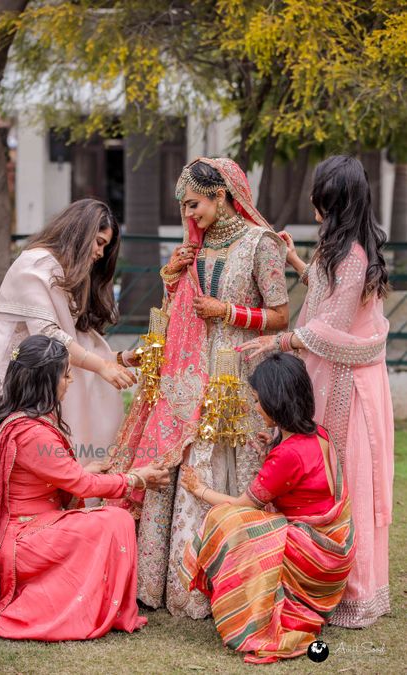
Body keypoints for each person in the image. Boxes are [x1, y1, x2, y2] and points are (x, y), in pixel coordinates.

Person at [111, 157, 289, 617]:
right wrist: (172, 277)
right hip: (193, 375)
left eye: (194, 204)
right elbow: (183, 313)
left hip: (241, 374)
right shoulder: (197, 246)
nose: (190, 215)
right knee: (188, 467)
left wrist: (229, 313)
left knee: (238, 463)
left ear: (222, 194)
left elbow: (281, 316)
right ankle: (180, 587)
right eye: (185, 207)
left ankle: (242, 579)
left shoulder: (261, 244)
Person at [240, 155, 393, 628]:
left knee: (348, 476)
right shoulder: (341, 249)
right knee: (328, 472)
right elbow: (330, 295)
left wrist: (279, 339)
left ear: (335, 202)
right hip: (333, 373)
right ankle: (322, 576)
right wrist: (294, 260)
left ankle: (354, 590)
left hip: (353, 384)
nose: (311, 201)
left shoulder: (354, 255)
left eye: (320, 195)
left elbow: (329, 326)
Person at [0, 335, 169, 640]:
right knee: (115, 519)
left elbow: (59, 476)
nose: (69, 381)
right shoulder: (31, 431)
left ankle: (84, 600)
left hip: (25, 533)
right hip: (25, 541)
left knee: (104, 519)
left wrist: (88, 470)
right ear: (45, 380)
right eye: (65, 374)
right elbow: (81, 485)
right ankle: (73, 607)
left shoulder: (19, 420)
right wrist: (137, 478)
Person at [0, 198, 138, 504]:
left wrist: (117, 360)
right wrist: (102, 368)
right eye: (98, 242)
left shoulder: (63, 272)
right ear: (80, 234)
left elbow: (75, 338)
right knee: (0, 480)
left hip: (36, 378)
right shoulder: (35, 264)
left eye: (105, 247)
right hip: (6, 375)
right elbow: (50, 335)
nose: (100, 253)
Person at [179, 353, 356, 665]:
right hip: (335, 550)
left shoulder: (287, 455)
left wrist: (199, 489)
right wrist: (274, 444)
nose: (255, 407)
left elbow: (241, 505)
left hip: (315, 559)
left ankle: (257, 614)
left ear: (277, 402)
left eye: (259, 400)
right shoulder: (318, 432)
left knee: (227, 520)